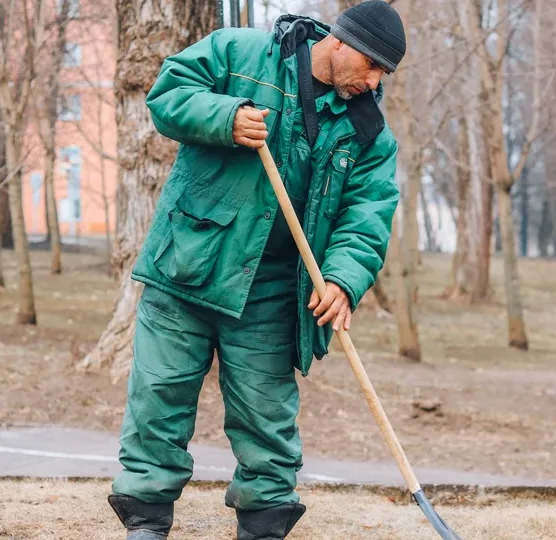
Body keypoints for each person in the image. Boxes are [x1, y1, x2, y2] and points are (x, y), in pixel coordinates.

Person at [106, 2, 406, 539]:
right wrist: (224, 118)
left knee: (267, 418)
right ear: (340, 42)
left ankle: (265, 526)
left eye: (385, 72)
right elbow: (167, 96)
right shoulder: (239, 53)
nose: (376, 80)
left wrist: (342, 280)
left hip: (271, 289)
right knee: (160, 400)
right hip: (188, 263)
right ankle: (146, 523)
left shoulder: (369, 132)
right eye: (372, 65)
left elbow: (365, 219)